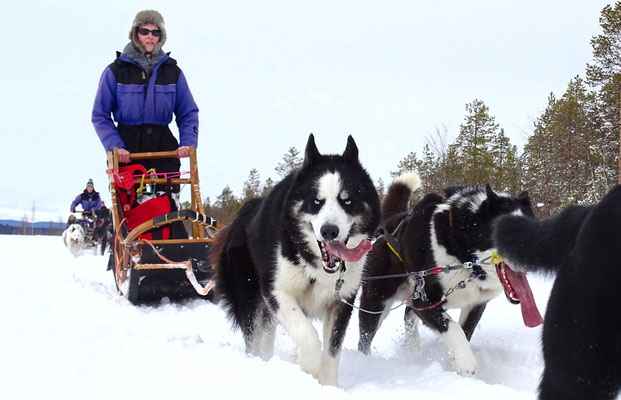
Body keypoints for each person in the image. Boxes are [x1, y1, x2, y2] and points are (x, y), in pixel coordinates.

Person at [91, 9, 199, 176]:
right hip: (128, 145)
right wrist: (115, 147)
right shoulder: (116, 71)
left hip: (162, 143)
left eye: (155, 32)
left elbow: (188, 112)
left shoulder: (172, 72)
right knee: (132, 200)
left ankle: (171, 201)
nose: (150, 36)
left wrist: (187, 143)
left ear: (160, 37)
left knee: (166, 198)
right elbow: (100, 115)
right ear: (136, 34)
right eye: (144, 31)